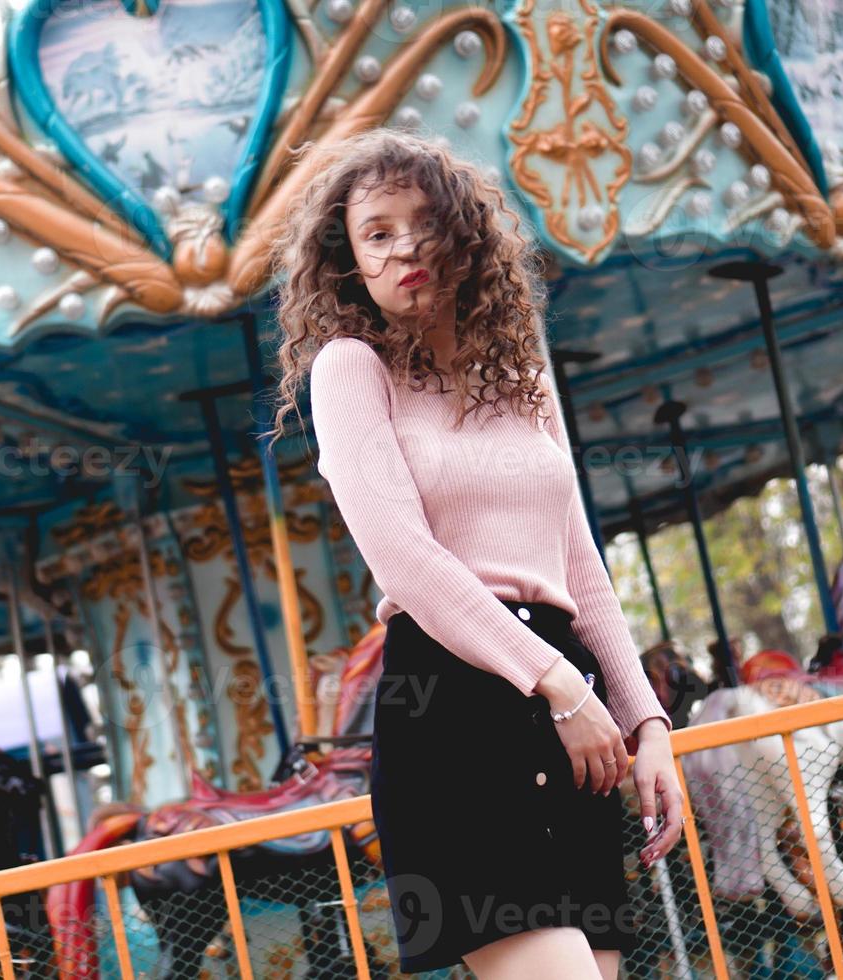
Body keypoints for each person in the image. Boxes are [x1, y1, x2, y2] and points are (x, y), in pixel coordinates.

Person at [264, 129, 686, 978]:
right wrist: (559, 684)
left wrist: (650, 726)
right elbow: (405, 562)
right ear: (348, 260)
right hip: (455, 707)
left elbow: (581, 567)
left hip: (576, 725)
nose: (405, 248)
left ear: (465, 234)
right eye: (376, 233)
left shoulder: (521, 372)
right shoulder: (351, 369)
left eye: (423, 223)